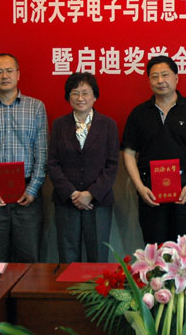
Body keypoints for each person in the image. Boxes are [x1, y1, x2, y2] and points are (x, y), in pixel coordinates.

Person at [122, 55, 186, 244]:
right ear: (149, 81)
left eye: (165, 75)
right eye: (154, 76)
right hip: (151, 193)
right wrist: (140, 187)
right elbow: (129, 153)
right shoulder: (139, 113)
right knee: (155, 248)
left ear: (176, 78)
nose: (160, 81)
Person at [0, 53, 47, 262]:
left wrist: (32, 189)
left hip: (27, 194)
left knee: (29, 260)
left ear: (18, 74)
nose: (4, 76)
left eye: (9, 71)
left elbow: (42, 153)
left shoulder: (36, 107)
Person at [47, 73, 119, 262]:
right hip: (66, 201)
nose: (80, 98)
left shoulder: (108, 125)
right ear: (68, 97)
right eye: (75, 93)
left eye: (86, 93)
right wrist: (72, 193)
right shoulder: (59, 125)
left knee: (98, 255)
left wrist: (91, 193)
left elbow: (112, 165)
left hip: (99, 202)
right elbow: (53, 163)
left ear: (95, 96)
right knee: (68, 256)